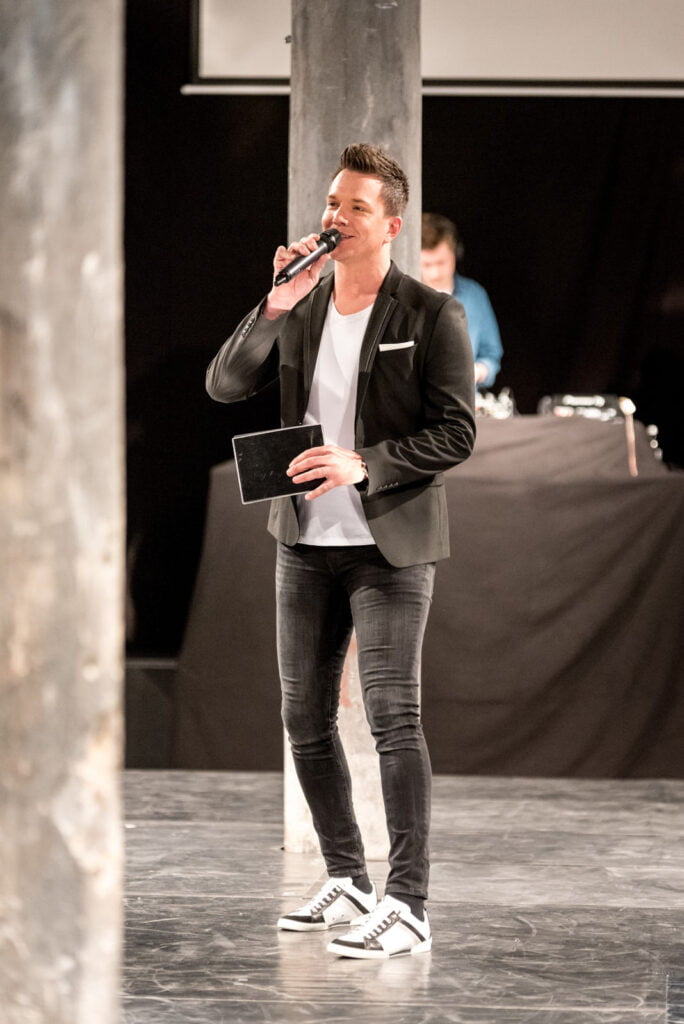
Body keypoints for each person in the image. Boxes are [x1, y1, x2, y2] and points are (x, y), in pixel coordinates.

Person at [206, 144, 476, 959]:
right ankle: (349, 878)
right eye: (332, 203)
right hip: (304, 541)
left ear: (390, 226)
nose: (336, 218)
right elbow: (225, 384)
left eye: (355, 207)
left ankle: (410, 903)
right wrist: (275, 305)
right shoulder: (304, 304)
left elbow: (457, 432)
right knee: (304, 719)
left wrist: (367, 463)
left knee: (393, 716)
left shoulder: (430, 315)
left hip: (387, 546)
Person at [420, 212, 503, 388]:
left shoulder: (474, 295)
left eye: (441, 263)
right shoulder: (403, 297)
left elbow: (491, 355)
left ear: (456, 253)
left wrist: (477, 371)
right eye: (426, 265)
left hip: (462, 397)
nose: (435, 273)